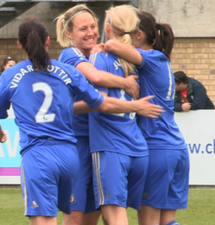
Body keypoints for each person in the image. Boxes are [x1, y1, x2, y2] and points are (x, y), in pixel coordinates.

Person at [0, 16, 162, 225]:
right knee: (92, 214)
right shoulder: (68, 70)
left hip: (38, 154)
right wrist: (132, 100)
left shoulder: (11, 75)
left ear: (19, 44)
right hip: (70, 156)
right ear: (48, 41)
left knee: (47, 218)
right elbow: (99, 101)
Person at [55, 4, 140, 225]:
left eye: (93, 26)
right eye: (83, 29)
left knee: (94, 215)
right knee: (74, 215)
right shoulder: (69, 54)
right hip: (76, 144)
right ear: (68, 33)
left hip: (99, 145)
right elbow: (96, 79)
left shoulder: (100, 54)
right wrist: (124, 84)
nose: (91, 32)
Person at [103, 10, 190, 225]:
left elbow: (113, 46)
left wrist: (105, 45)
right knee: (166, 221)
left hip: (157, 148)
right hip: (174, 147)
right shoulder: (160, 62)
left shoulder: (152, 58)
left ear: (139, 34)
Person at [87, 5, 151, 225]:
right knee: (113, 216)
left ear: (107, 27)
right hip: (138, 149)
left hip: (111, 147)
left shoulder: (100, 58)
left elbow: (100, 102)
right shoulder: (139, 60)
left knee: (115, 217)